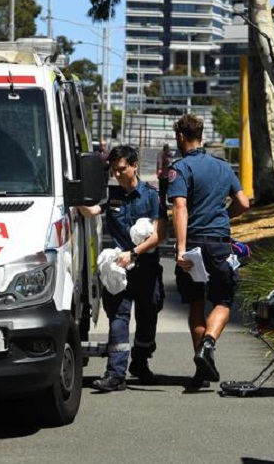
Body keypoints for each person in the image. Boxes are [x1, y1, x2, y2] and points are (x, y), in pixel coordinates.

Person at [167, 114, 250, 389]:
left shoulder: (180, 168)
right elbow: (243, 203)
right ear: (200, 135)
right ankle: (208, 345)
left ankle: (201, 369)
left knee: (196, 302)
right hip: (218, 243)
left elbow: (180, 207)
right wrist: (225, 215)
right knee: (223, 300)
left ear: (181, 136)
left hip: (192, 244)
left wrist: (180, 250)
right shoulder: (223, 167)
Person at [78, 145, 167, 392]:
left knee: (147, 320)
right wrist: (76, 198)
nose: (117, 174)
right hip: (118, 268)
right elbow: (92, 211)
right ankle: (115, 375)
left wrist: (134, 253)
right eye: (113, 170)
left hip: (146, 268)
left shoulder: (151, 196)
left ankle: (140, 362)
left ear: (134, 165)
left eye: (122, 169)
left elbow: (159, 234)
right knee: (118, 318)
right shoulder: (111, 194)